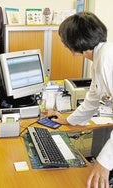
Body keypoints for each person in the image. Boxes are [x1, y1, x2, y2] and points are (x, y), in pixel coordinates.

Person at [49, 12, 113, 188]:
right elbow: (92, 99)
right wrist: (68, 120)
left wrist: (104, 162)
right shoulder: (100, 57)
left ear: (74, 42)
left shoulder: (107, 59)